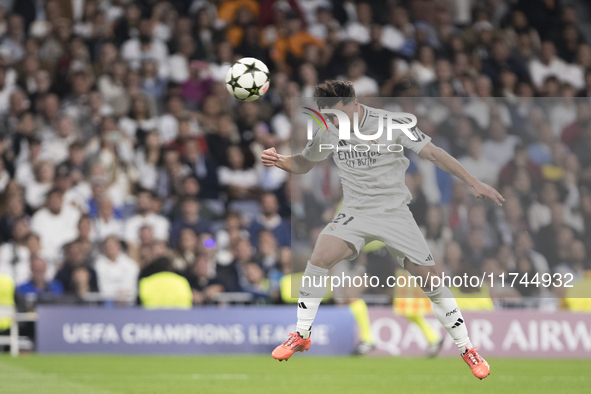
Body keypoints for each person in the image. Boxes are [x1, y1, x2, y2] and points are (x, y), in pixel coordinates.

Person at [261, 81, 504, 379]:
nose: (336, 121)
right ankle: (301, 333)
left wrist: (473, 181)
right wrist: (279, 161)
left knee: (432, 282)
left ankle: (467, 348)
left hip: (394, 213)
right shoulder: (327, 129)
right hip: (355, 211)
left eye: (339, 114)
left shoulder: (392, 123)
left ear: (354, 103)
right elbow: (303, 164)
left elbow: (434, 154)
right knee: (320, 257)